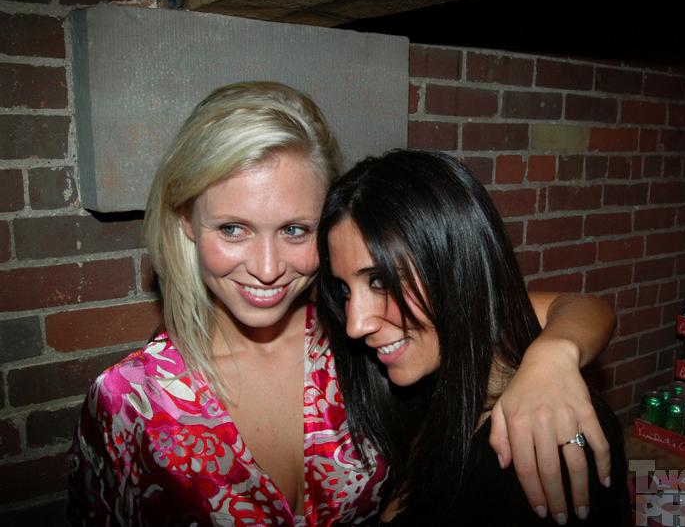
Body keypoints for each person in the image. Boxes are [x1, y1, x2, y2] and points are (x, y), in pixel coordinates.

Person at [68, 82, 615, 526]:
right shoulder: (129, 403)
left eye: (295, 229)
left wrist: (553, 358)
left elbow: (543, 306)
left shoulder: (354, 337)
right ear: (186, 221)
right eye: (233, 228)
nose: (266, 268)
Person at [316, 149, 632, 525]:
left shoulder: (539, 445)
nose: (355, 325)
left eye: (380, 280)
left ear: (455, 267)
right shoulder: (425, 384)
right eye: (344, 289)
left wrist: (556, 355)